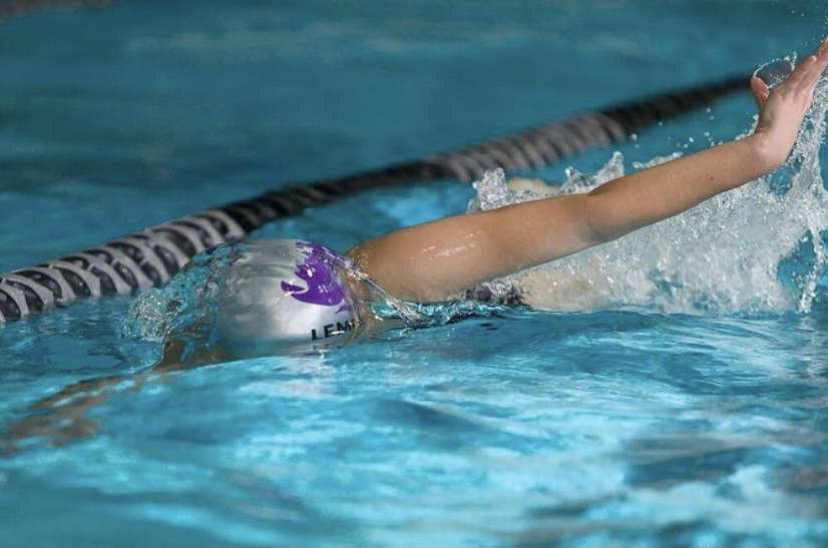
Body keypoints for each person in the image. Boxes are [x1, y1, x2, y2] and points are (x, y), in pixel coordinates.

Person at [3, 39, 827, 452]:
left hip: (538, 281)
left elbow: (592, 219)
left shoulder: (398, 272)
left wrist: (757, 155)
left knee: (580, 256)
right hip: (476, 297)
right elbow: (118, 392)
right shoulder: (217, 342)